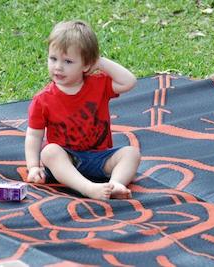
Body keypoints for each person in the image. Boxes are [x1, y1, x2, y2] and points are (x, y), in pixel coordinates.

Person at [25, 20, 140, 200]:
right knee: (50, 152)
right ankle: (87, 188)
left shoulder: (98, 85)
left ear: (86, 65)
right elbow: (34, 135)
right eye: (53, 58)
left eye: (68, 61)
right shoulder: (43, 99)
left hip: (100, 157)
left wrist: (100, 62)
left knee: (131, 154)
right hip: (66, 162)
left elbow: (129, 81)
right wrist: (33, 167)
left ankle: (115, 185)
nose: (58, 67)